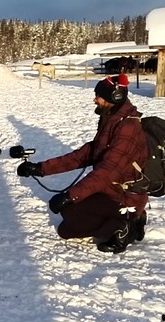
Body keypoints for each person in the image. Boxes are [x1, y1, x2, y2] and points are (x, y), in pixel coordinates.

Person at [16, 74, 149, 253]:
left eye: (99, 96)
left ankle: (125, 226)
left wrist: (70, 196)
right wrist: (40, 169)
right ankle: (128, 218)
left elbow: (107, 172)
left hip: (124, 195)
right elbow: (85, 155)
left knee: (70, 215)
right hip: (110, 190)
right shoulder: (111, 118)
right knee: (66, 225)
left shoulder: (128, 127)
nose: (95, 99)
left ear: (114, 97)